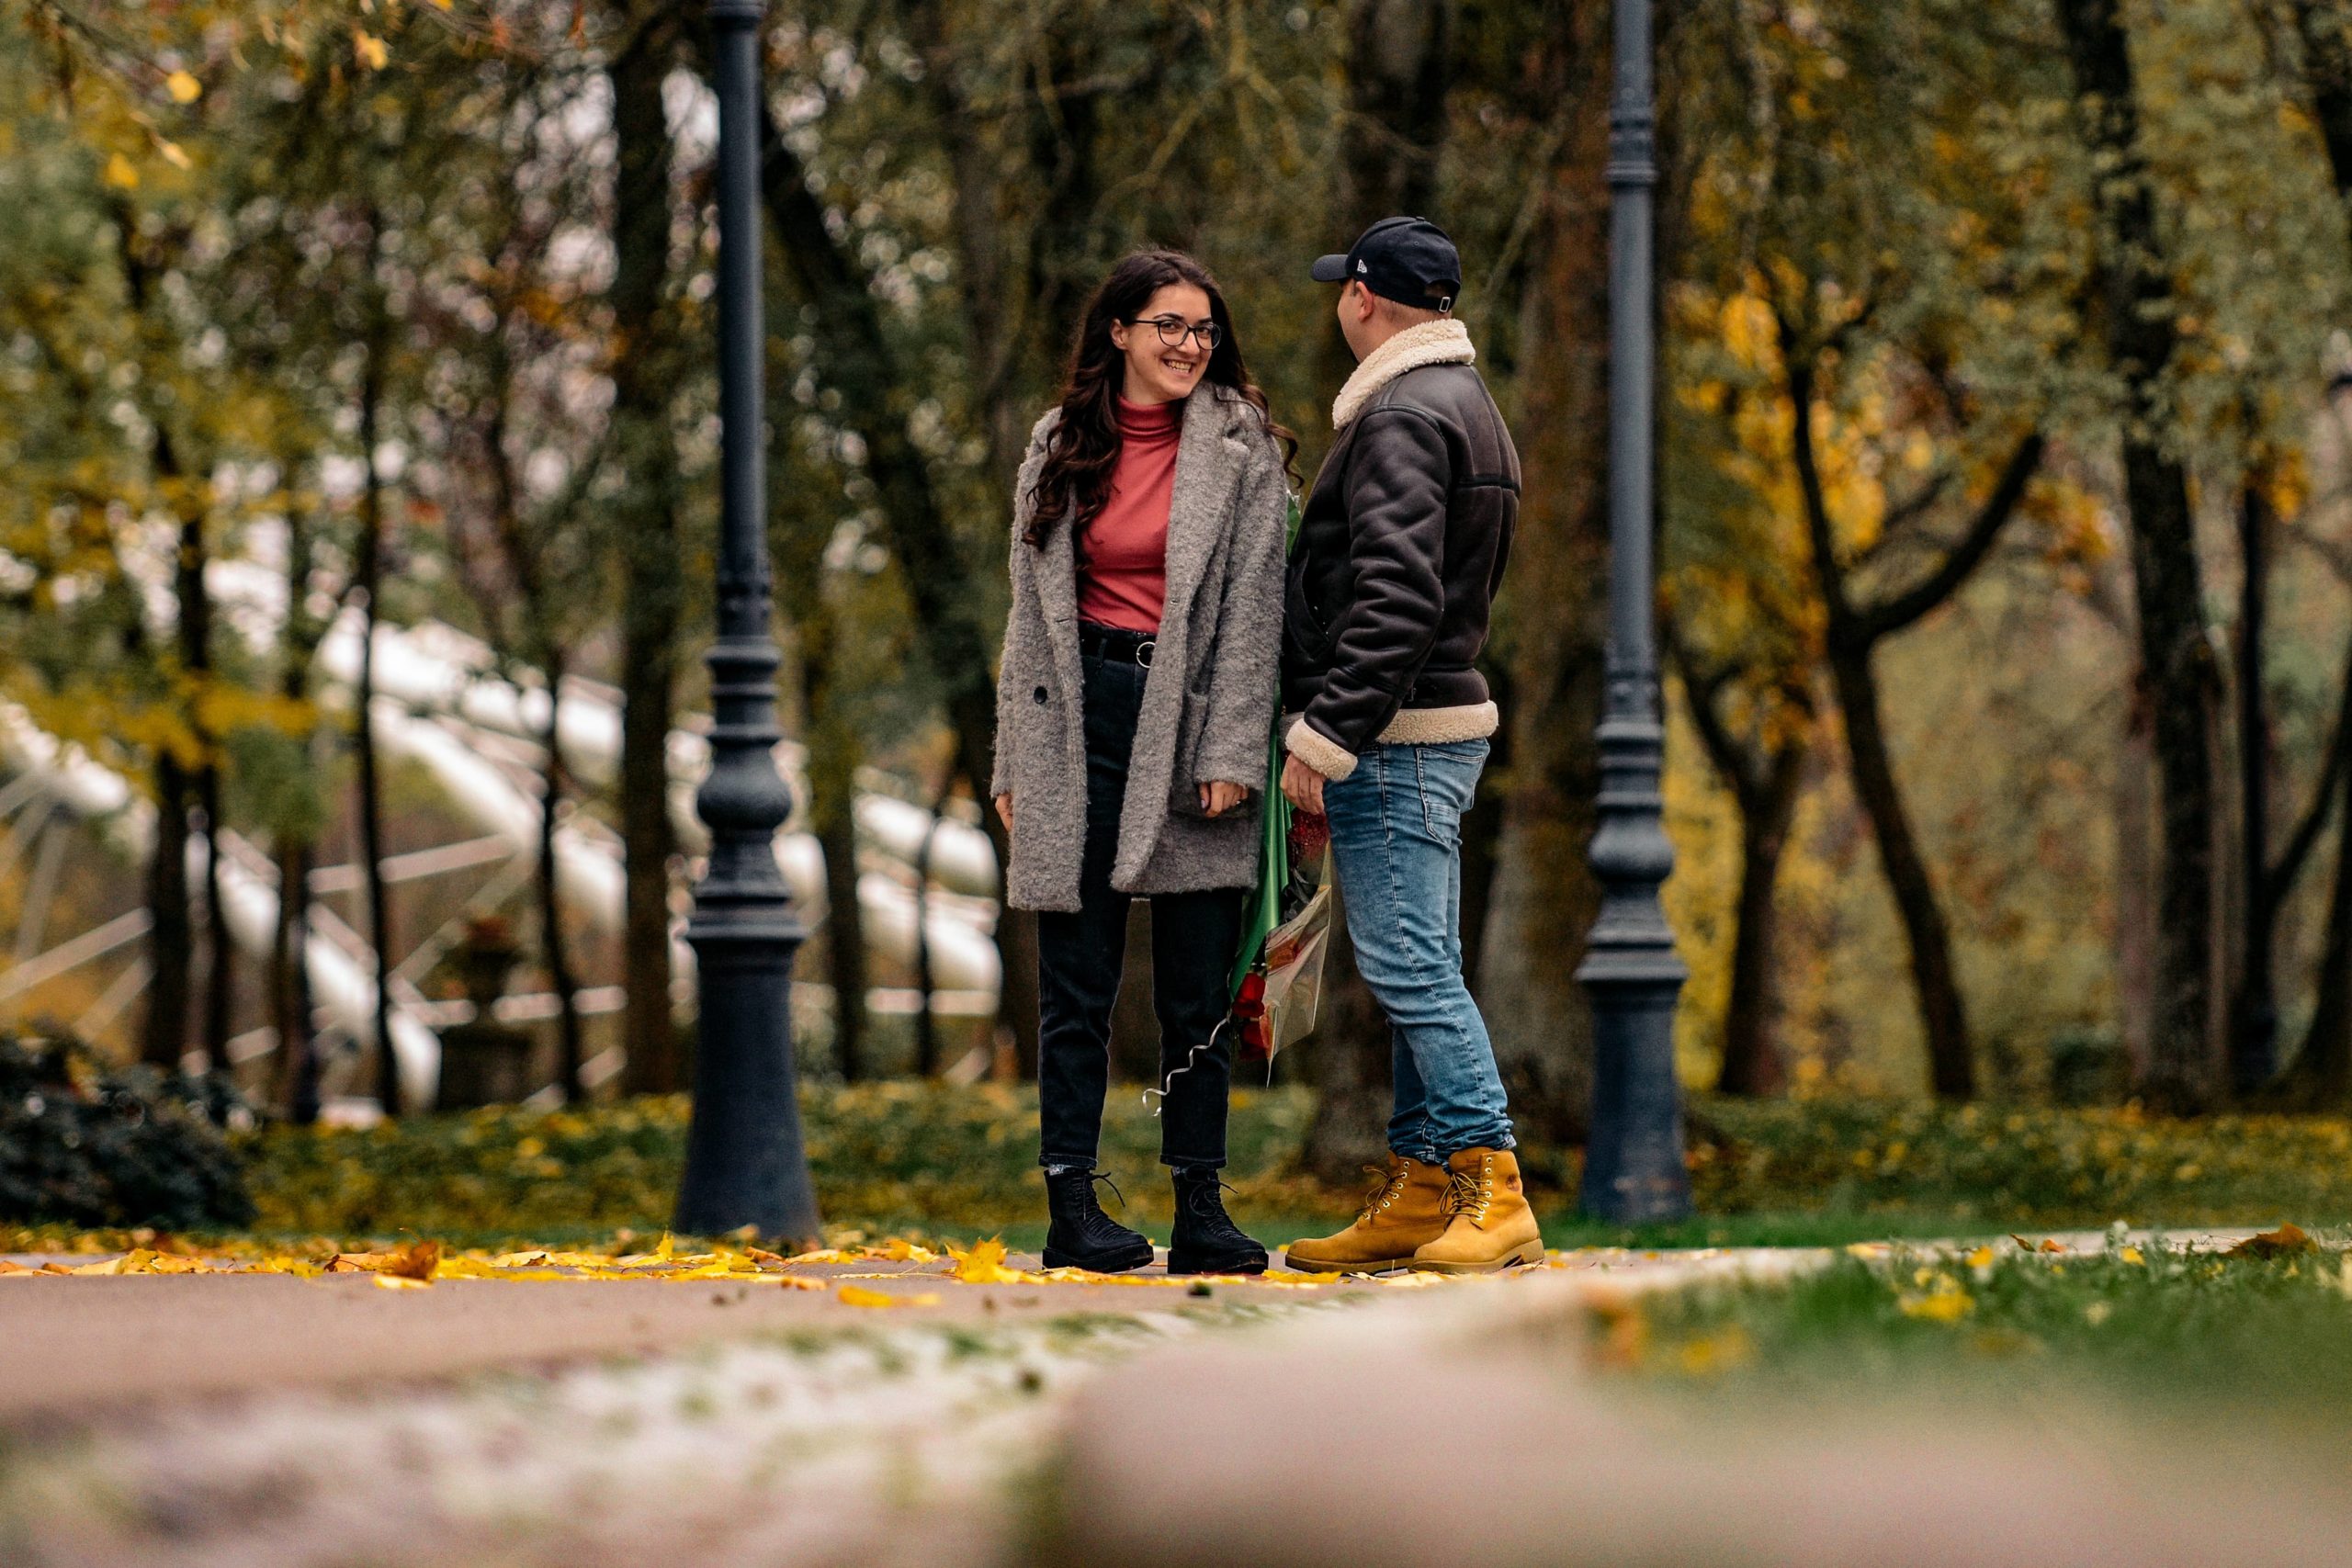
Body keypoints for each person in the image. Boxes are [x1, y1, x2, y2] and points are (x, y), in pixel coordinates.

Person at [990, 250, 1293, 1275]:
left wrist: (1231, 749)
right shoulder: (1057, 443)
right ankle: (1071, 1205)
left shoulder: (1244, 449)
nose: (1188, 345)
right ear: (1116, 330)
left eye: (1202, 329)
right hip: (1074, 725)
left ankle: (1200, 1204)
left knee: (1195, 989)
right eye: (1167, 324)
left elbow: (1254, 613)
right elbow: (1027, 623)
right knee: (1075, 984)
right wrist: (1012, 765)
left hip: (1190, 718)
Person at [1277, 218, 1542, 1275]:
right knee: (1416, 967)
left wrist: (1325, 733)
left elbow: (1395, 598)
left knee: (1412, 970)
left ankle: (1494, 1187)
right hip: (1429, 722)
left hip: (1392, 732)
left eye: (1341, 286)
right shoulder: (1466, 408)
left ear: (1361, 298)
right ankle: (1425, 1188)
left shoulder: (1398, 416)